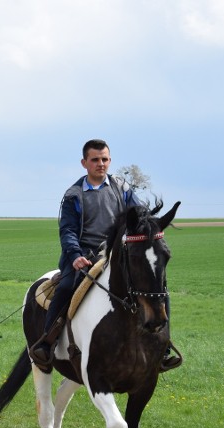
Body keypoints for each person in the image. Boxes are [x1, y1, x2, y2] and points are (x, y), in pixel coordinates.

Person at [29, 139, 181, 371]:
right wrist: (75, 256)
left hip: (116, 254)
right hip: (85, 257)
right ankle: (47, 342)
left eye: (105, 159)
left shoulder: (122, 188)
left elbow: (138, 215)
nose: (101, 164)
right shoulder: (74, 194)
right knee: (67, 286)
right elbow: (67, 230)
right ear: (84, 163)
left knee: (156, 287)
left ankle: (163, 345)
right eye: (95, 160)